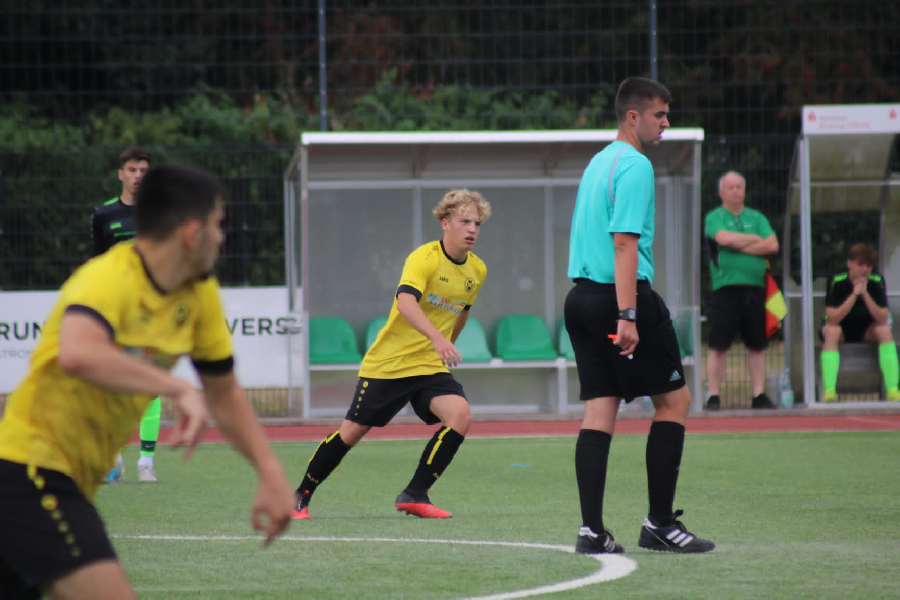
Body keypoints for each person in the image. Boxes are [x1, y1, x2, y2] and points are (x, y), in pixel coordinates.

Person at [0, 164, 294, 599]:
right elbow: (78, 353)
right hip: (28, 471)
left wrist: (270, 472)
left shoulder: (199, 294)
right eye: (218, 225)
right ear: (191, 234)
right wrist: (176, 387)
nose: (222, 237)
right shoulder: (107, 277)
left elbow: (225, 393)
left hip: (66, 481)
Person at [565, 76, 714, 554]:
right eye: (660, 114)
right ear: (634, 116)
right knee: (674, 401)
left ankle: (592, 531)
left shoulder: (598, 162)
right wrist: (628, 314)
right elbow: (624, 242)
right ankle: (660, 525)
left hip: (580, 299)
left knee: (599, 408)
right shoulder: (635, 164)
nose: (666, 123)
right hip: (619, 300)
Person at [292, 189, 491, 520]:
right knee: (351, 433)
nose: (472, 229)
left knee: (461, 415)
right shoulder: (424, 258)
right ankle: (300, 495)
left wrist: (446, 343)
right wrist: (436, 338)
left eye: (477, 224)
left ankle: (415, 493)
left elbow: (463, 310)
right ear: (445, 223)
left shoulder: (477, 270)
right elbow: (405, 302)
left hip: (428, 366)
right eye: (464, 221)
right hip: (390, 364)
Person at [91, 146, 162, 482]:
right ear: (121, 174)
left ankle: (146, 462)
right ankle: (112, 458)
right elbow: (95, 265)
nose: (138, 176)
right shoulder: (104, 215)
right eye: (132, 170)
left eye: (143, 171)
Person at [704, 171, 779, 410]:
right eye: (731, 187)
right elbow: (724, 239)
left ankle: (759, 395)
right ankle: (714, 395)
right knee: (719, 345)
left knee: (757, 345)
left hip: (755, 289)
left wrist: (741, 244)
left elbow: (772, 244)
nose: (736, 191)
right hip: (726, 289)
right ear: (721, 192)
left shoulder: (757, 217)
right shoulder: (714, 217)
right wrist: (755, 239)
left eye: (739, 186)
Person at [820, 243, 900, 402]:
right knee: (832, 330)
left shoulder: (877, 280)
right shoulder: (837, 280)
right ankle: (829, 391)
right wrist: (854, 295)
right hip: (841, 329)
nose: (864, 269)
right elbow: (833, 318)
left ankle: (893, 390)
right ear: (849, 263)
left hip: (866, 330)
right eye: (860, 264)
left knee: (884, 330)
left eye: (868, 266)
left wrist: (865, 294)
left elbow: (882, 318)